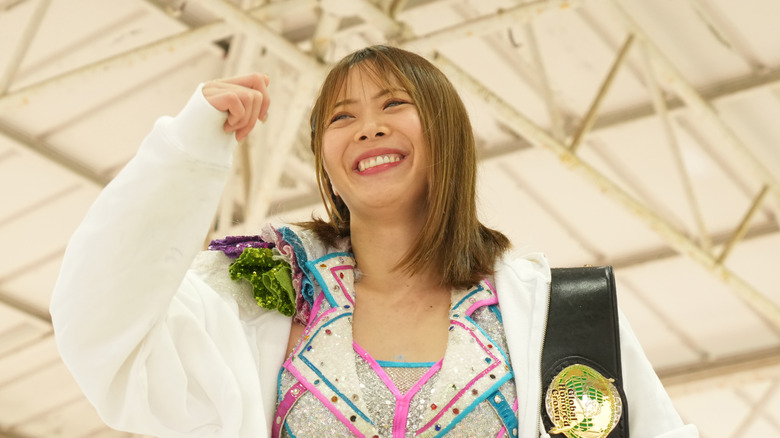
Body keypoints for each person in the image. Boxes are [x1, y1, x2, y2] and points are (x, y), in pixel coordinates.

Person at [51, 45, 698, 438]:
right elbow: (101, 331)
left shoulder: (559, 313)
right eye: (341, 117)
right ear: (325, 158)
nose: (367, 128)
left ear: (445, 132)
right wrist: (184, 153)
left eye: (393, 105)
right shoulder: (258, 293)